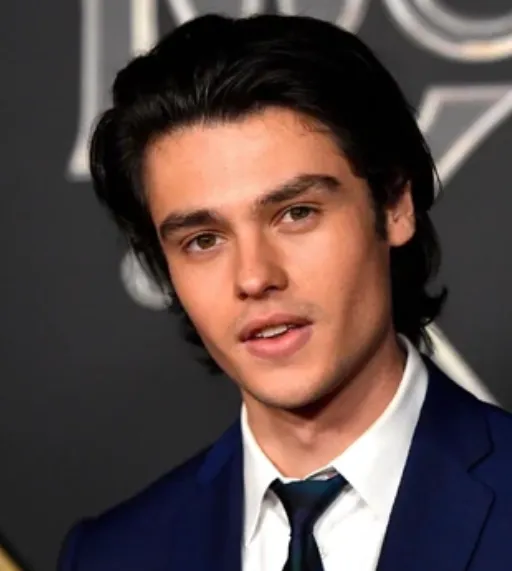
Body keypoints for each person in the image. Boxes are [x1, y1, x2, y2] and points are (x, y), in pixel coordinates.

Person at [57, 13, 512, 571]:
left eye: (296, 213)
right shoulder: (111, 557)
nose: (254, 277)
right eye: (203, 240)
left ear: (395, 205)